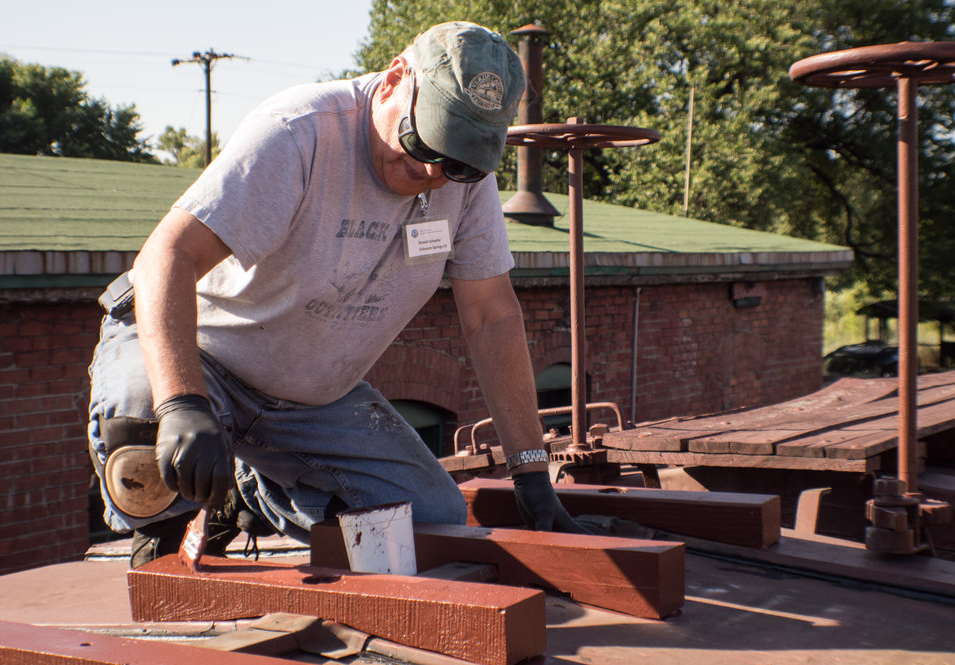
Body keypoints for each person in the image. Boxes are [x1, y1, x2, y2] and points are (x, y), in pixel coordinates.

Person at [88, 21, 593, 568]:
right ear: (396, 78)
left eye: (457, 162)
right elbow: (168, 255)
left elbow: (492, 316)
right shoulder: (298, 133)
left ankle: (245, 495)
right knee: (144, 439)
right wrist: (182, 402)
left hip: (310, 396)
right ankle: (168, 531)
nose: (431, 170)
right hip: (205, 354)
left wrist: (530, 471)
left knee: (429, 517)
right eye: (423, 141)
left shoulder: (465, 185)